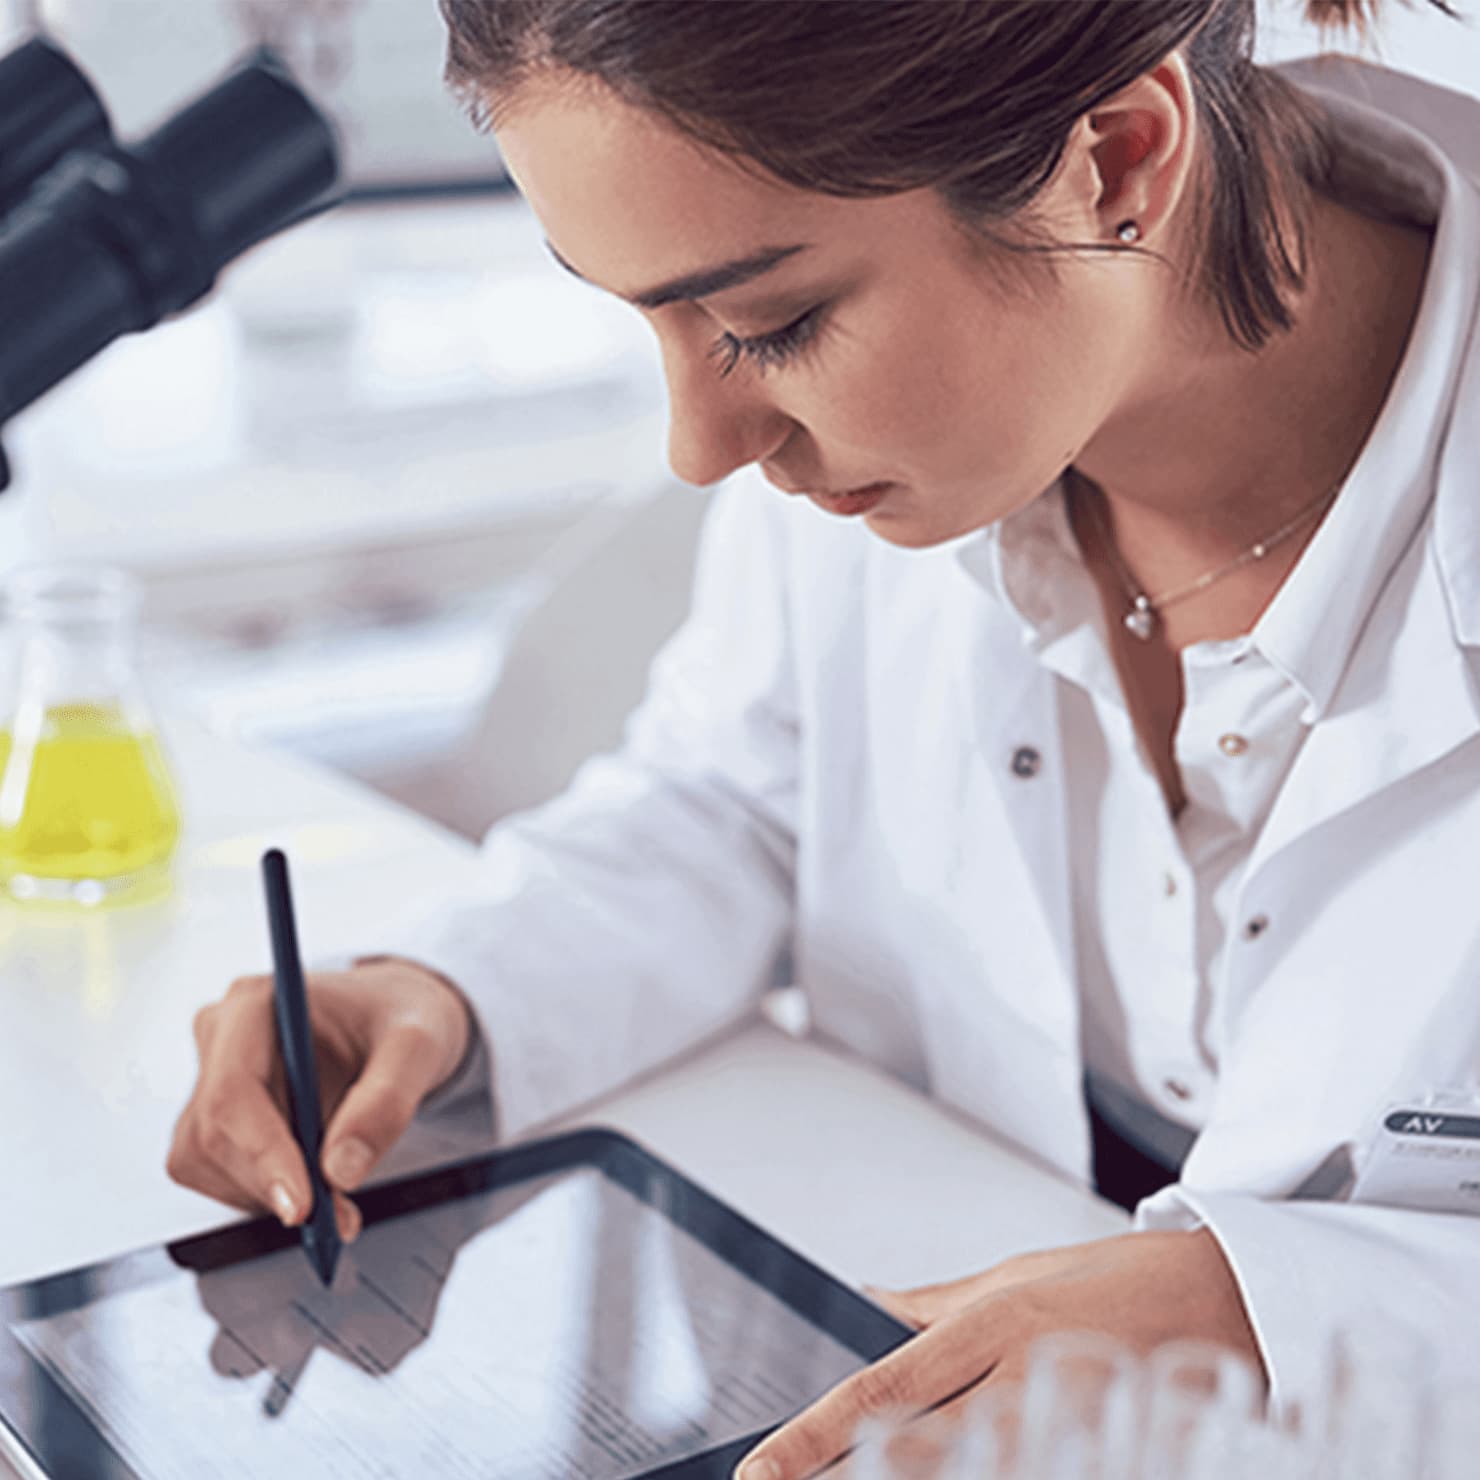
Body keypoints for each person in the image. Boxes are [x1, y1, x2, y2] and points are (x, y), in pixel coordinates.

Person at [168, 1, 1480, 1474]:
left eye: (766, 325)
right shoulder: (883, 471)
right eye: (649, 318)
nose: (698, 447)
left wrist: (1270, 1320)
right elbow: (734, 799)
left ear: (1116, 159)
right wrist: (453, 990)